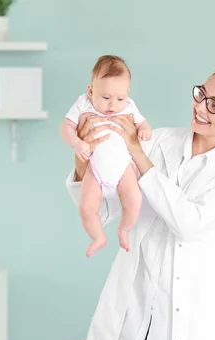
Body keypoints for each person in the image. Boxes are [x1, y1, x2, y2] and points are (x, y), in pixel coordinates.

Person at [65, 64, 215, 340]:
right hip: (132, 321)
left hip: (187, 325)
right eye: (201, 95)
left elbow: (190, 224)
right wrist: (82, 160)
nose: (200, 107)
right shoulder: (158, 140)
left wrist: (139, 156)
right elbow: (105, 210)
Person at [61, 55, 153, 258]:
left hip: (123, 168)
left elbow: (142, 123)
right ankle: (98, 237)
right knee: (86, 207)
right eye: (105, 97)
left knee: (134, 200)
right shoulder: (83, 105)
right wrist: (77, 143)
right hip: (94, 170)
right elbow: (66, 126)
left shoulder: (129, 106)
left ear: (127, 94)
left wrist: (145, 130)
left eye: (120, 98)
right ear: (91, 90)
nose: (113, 104)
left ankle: (124, 229)